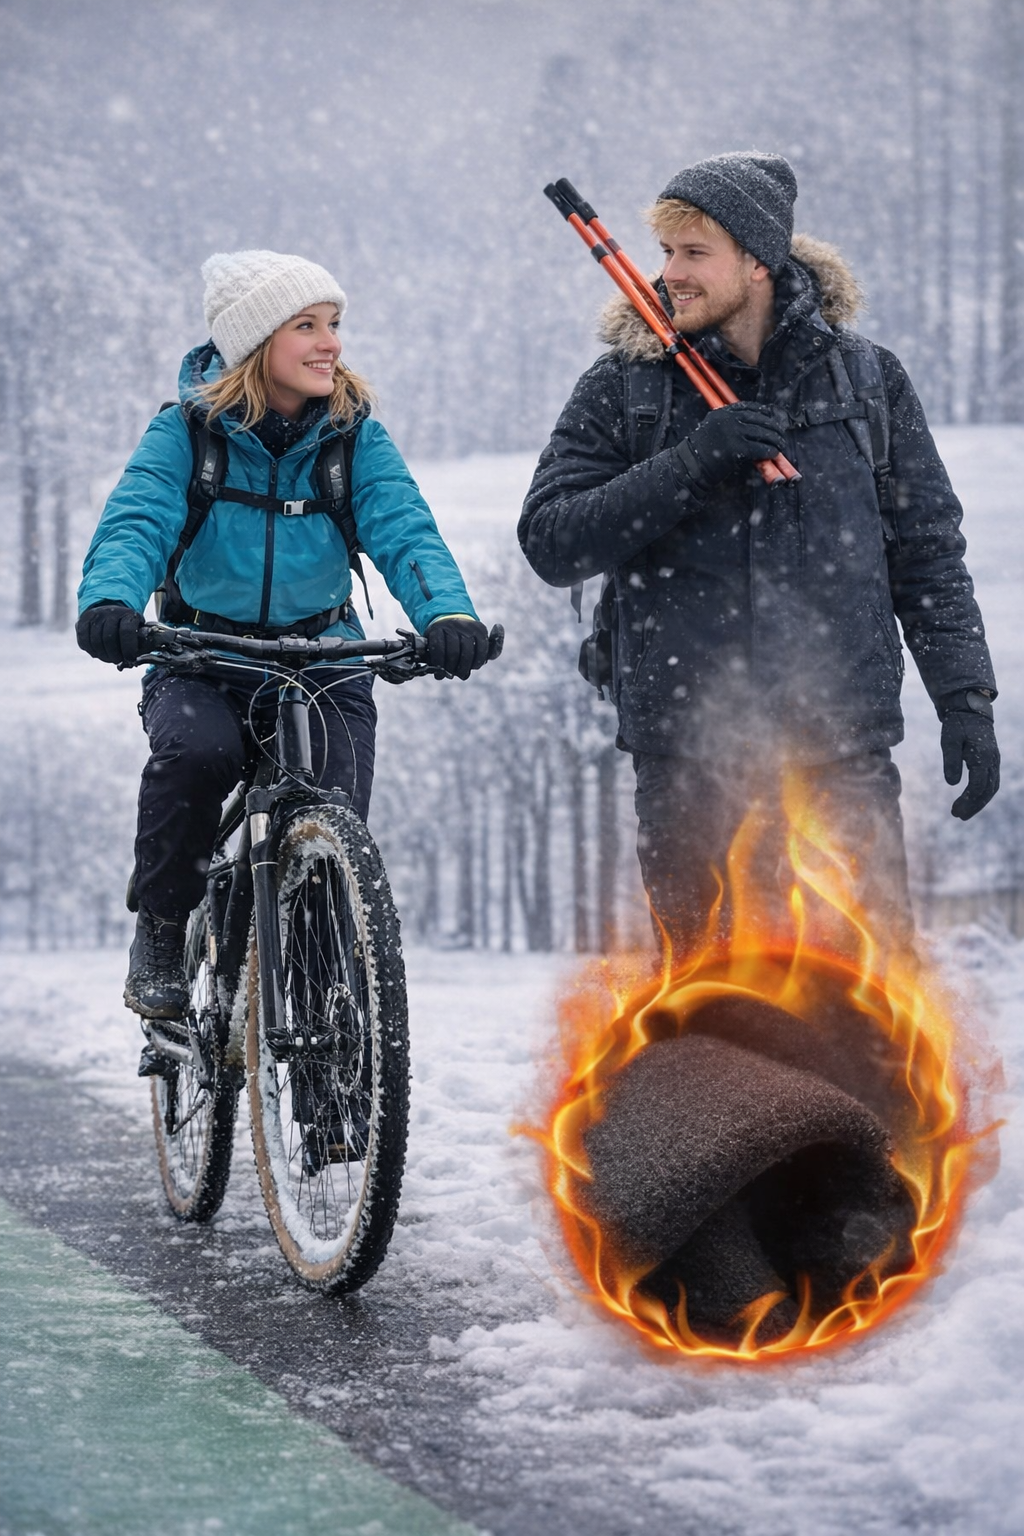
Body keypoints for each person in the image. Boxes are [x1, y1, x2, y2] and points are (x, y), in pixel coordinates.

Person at [519, 152, 999, 958]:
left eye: (692, 252)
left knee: (873, 1005)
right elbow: (553, 540)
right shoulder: (625, 387)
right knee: (712, 1013)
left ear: (758, 260)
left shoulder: (867, 381)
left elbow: (928, 554)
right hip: (687, 756)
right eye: (665, 251)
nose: (668, 272)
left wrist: (966, 698)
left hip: (842, 748)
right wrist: (692, 461)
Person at [77, 249, 489, 1019]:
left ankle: (327, 1048)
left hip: (323, 656)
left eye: (334, 324)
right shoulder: (185, 437)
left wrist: (447, 615)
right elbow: (136, 522)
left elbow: (406, 528)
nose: (331, 342)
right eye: (307, 325)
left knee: (332, 834)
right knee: (198, 755)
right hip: (200, 655)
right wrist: (111, 602)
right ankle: (164, 930)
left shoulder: (353, 439)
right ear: (255, 344)